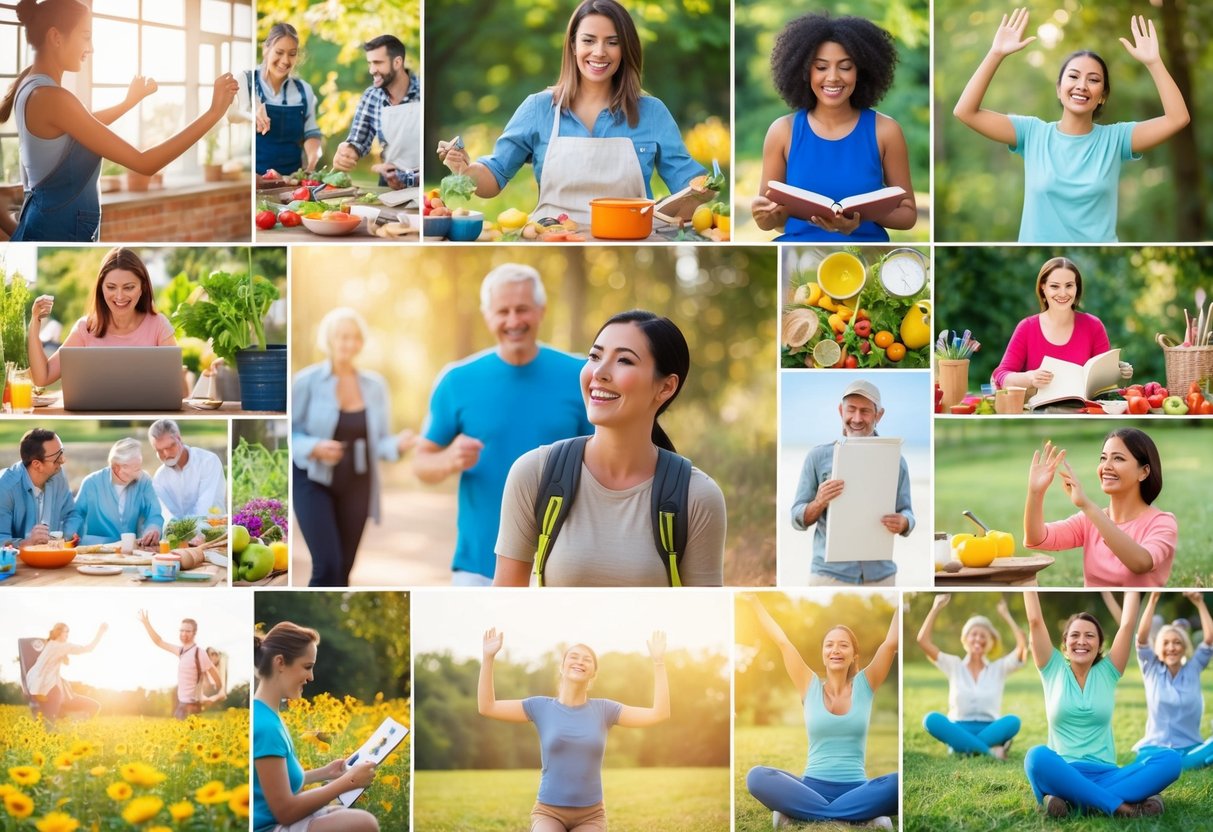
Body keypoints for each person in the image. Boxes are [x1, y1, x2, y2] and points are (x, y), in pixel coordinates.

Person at [494, 310, 726, 587]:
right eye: (594, 356)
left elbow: (700, 620)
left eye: (624, 360)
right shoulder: (535, 473)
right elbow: (506, 603)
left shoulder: (697, 496)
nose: (599, 373)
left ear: (665, 387)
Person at [436, 0, 705, 228]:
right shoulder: (538, 108)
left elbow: (686, 186)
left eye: (612, 42)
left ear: (626, 49)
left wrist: (702, 190)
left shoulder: (652, 112)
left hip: (630, 239)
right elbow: (494, 177)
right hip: (553, 236)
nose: (599, 52)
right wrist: (464, 170)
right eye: (589, 40)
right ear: (573, 45)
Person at [0, 0, 239, 241]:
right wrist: (213, 114)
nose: (91, 48)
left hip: (46, 228)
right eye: (85, 36)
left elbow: (81, 127)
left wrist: (128, 103)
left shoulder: (32, 87)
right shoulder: (52, 97)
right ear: (56, 37)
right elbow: (145, 163)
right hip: (54, 233)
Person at [414, 265, 592, 585]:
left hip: (562, 566)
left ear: (541, 310)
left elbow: (607, 460)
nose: (513, 321)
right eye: (503, 311)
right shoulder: (456, 380)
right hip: (476, 568)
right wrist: (448, 459)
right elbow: (421, 462)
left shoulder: (580, 374)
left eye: (522, 309)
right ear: (487, 316)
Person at [953, 10, 1189, 243]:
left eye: (1094, 80)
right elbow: (965, 112)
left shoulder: (1116, 139)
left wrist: (1154, 61)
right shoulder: (1032, 133)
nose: (1082, 85)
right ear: (1059, 87)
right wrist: (996, 53)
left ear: (1103, 95)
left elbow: (1177, 118)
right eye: (1073, 76)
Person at [478, 627, 669, 831]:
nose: (580, 661)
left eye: (587, 659)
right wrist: (488, 658)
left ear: (593, 673)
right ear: (562, 667)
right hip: (548, 812)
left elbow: (659, 713)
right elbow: (487, 706)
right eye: (574, 656)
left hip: (592, 815)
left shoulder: (606, 710)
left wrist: (659, 663)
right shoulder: (540, 707)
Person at [750, 13, 917, 242]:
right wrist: (764, 217)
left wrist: (862, 218)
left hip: (864, 250)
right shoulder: (782, 131)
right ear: (805, 71)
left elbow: (908, 214)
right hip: (799, 250)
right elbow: (773, 222)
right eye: (821, 67)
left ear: (861, 72)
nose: (833, 77)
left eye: (845, 67)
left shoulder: (886, 130)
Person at [743, 594, 898, 828]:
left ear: (853, 656)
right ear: (823, 654)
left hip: (857, 788)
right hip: (811, 787)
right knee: (756, 776)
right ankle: (861, 814)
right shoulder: (809, 684)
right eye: (830, 645)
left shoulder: (866, 684)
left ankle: (799, 812)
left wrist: (903, 601)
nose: (836, 649)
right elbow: (783, 642)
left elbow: (890, 644)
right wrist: (754, 602)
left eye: (843, 645)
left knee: (898, 782)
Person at [1023, 590, 1181, 817]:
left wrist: (1133, 586)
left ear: (1099, 646)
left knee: (1171, 760)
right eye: (1075, 635)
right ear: (1065, 644)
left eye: (1090, 636)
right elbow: (1035, 620)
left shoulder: (1108, 671)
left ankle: (1073, 800)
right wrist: (1028, 579)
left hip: (1107, 773)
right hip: (1064, 770)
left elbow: (1127, 625)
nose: (1081, 641)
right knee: (1036, 756)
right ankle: (1123, 806)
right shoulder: (1052, 667)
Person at [292, 307, 415, 586]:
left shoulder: (375, 386)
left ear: (361, 342)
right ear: (329, 340)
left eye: (354, 337)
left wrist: (399, 444)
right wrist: (314, 446)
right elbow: (290, 432)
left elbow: (381, 440)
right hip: (313, 478)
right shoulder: (306, 382)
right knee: (327, 566)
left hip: (358, 481)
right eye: (341, 337)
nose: (348, 343)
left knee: (344, 570)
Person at [253, 621, 379, 832]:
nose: (311, 677)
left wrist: (326, 773)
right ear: (280, 663)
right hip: (269, 827)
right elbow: (285, 811)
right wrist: (350, 780)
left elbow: (276, 784)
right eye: (307, 667)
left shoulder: (269, 716)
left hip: (278, 823)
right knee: (363, 824)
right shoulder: (265, 726)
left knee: (343, 814)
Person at [790, 379, 915, 586]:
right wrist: (819, 502)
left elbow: (907, 511)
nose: (857, 418)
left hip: (882, 576)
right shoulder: (818, 456)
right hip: (828, 575)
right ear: (841, 411)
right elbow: (796, 518)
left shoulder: (896, 460)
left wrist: (903, 522)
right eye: (851, 410)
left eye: (865, 411)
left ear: (879, 415)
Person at [1024, 429, 1176, 587]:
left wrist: (1086, 505)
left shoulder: (1162, 522)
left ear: (1144, 472)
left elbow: (1141, 563)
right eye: (1103, 458)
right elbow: (1037, 539)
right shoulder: (1088, 520)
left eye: (1118, 458)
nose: (1106, 466)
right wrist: (1035, 492)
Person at [27, 247, 176, 387]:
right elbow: (42, 377)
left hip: (147, 414)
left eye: (129, 287)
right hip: (99, 414)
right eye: (111, 287)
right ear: (101, 288)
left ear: (142, 287)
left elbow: (175, 386)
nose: (119, 296)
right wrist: (35, 322)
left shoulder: (158, 325)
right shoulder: (86, 328)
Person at [992, 257, 1132, 390]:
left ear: (1077, 288)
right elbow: (1000, 376)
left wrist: (1118, 371)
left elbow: (1105, 381)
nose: (1063, 293)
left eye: (1069, 286)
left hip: (1083, 411)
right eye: (1055, 286)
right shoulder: (1027, 327)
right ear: (1043, 287)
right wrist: (1030, 377)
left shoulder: (1093, 326)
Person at [917, 594, 1027, 759]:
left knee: (1013, 721)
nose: (978, 639)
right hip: (959, 727)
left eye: (983, 635)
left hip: (991, 729)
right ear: (965, 639)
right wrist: (935, 608)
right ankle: (991, 751)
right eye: (974, 634)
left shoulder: (999, 668)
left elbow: (1021, 646)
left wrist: (1006, 615)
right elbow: (923, 641)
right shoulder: (953, 665)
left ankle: (961, 747)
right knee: (930, 719)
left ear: (990, 642)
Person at [1132, 591, 1213, 769]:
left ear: (1184, 647)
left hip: (1191, 748)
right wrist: (1153, 599)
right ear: (1159, 647)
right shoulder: (1151, 668)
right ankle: (1201, 762)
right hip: (1156, 750)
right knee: (1164, 763)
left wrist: (1200, 603)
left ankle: (1197, 760)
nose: (1171, 648)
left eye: (1177, 642)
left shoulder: (1193, 668)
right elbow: (1142, 639)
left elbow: (1209, 639)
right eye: (1166, 643)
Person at [332, 35, 419, 190]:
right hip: (389, 186)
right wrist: (347, 150)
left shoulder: (421, 92)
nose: (372, 70)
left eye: (378, 63)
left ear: (397, 62)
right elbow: (358, 140)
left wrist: (410, 177)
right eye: (370, 63)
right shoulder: (372, 96)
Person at [251, 23, 323, 175]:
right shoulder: (248, 83)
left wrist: (311, 165)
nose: (285, 60)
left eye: (292, 54)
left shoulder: (304, 90)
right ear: (266, 49)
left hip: (291, 180)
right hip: (255, 181)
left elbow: (312, 133)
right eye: (279, 52)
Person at [75, 437, 163, 547]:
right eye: (136, 469)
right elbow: (75, 515)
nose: (139, 473)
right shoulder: (91, 483)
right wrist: (70, 536)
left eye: (140, 467)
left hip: (129, 550)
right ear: (116, 468)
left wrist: (153, 528)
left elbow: (154, 513)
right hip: (98, 549)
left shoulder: (144, 481)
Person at [0, 428, 79, 547]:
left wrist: (66, 537)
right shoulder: (5, 487)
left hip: (53, 556)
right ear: (37, 464)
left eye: (62, 452)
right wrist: (27, 543)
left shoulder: (58, 475)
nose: (63, 461)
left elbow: (71, 514)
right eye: (57, 458)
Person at [137, 611, 223, 719]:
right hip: (180, 704)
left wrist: (220, 691)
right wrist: (146, 624)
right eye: (181, 630)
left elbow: (213, 672)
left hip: (192, 706)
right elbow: (159, 642)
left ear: (194, 633)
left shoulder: (199, 652)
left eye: (188, 631)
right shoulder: (181, 651)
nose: (184, 634)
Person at [147, 419, 226, 524]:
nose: (166, 454)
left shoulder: (208, 461)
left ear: (179, 439)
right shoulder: (159, 478)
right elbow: (169, 517)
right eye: (159, 450)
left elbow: (206, 507)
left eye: (170, 446)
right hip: (180, 536)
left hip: (214, 531)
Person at [25, 621, 106, 720]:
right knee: (50, 722)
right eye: (66, 631)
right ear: (59, 632)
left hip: (33, 685)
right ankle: (76, 724)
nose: (68, 634)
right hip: (49, 688)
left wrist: (63, 657)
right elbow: (88, 648)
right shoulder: (64, 646)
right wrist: (100, 632)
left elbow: (51, 661)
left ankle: (67, 721)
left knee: (52, 719)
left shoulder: (49, 644)